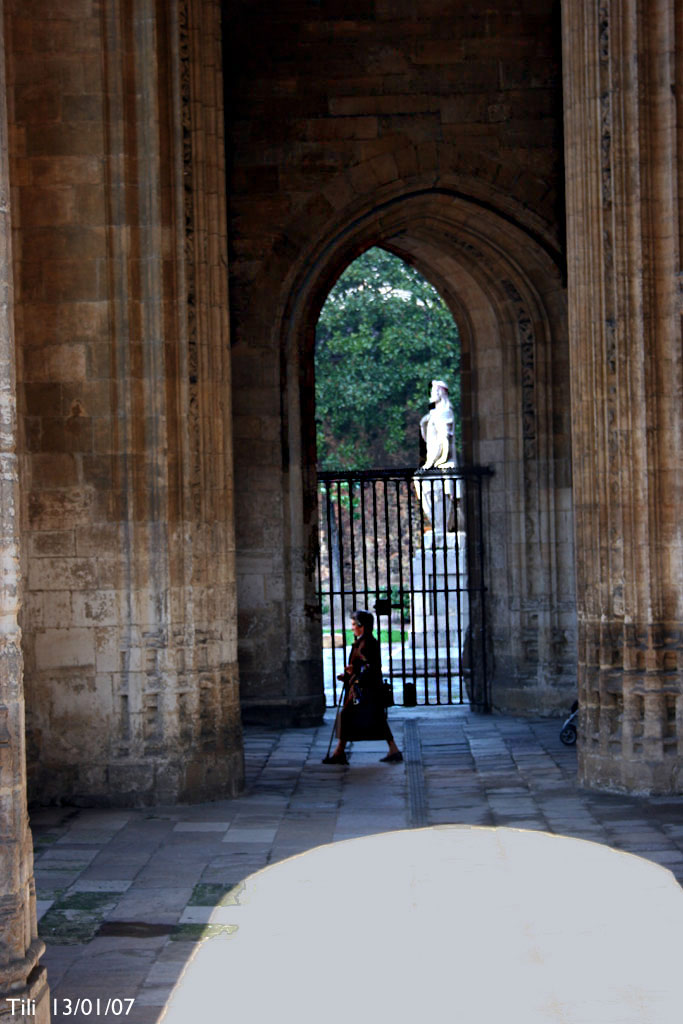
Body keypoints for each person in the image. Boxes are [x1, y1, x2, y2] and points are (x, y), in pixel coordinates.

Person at [322, 609, 403, 765]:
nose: (352, 628)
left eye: (354, 624)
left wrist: (354, 672)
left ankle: (339, 752)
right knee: (374, 719)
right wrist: (349, 675)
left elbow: (370, 667)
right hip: (363, 689)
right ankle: (393, 749)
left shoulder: (367, 644)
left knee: (348, 716)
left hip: (364, 691)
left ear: (362, 626)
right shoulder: (363, 642)